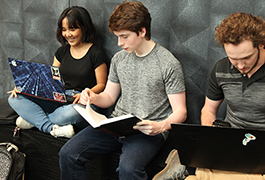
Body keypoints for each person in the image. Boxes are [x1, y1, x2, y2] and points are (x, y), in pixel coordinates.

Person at [154, 12, 265, 180]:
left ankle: (189, 174)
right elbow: (208, 110)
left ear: (261, 45)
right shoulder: (221, 69)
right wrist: (211, 138)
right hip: (231, 142)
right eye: (233, 59)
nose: (240, 66)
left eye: (246, 58)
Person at [58, 1, 187, 180]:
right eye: (117, 37)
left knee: (128, 169)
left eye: (124, 37)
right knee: (68, 153)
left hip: (148, 129)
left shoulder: (168, 64)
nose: (119, 43)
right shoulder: (120, 59)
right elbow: (109, 97)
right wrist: (94, 97)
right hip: (116, 123)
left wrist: (161, 126)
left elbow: (181, 111)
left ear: (142, 31)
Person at [7, 6, 108, 138]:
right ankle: (51, 128)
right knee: (14, 98)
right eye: (64, 30)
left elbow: (102, 85)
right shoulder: (61, 52)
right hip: (61, 97)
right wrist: (25, 88)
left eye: (72, 29)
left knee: (66, 114)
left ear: (84, 28)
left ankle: (33, 120)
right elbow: (51, 80)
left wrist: (86, 94)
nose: (67, 34)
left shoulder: (96, 53)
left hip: (84, 103)